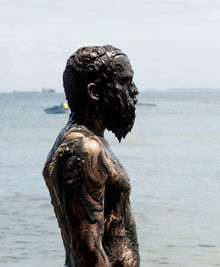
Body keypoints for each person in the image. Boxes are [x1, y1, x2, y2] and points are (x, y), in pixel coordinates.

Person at [42, 45, 140, 267]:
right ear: (94, 92)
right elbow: (88, 253)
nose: (134, 91)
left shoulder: (84, 141)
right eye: (125, 82)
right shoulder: (85, 149)